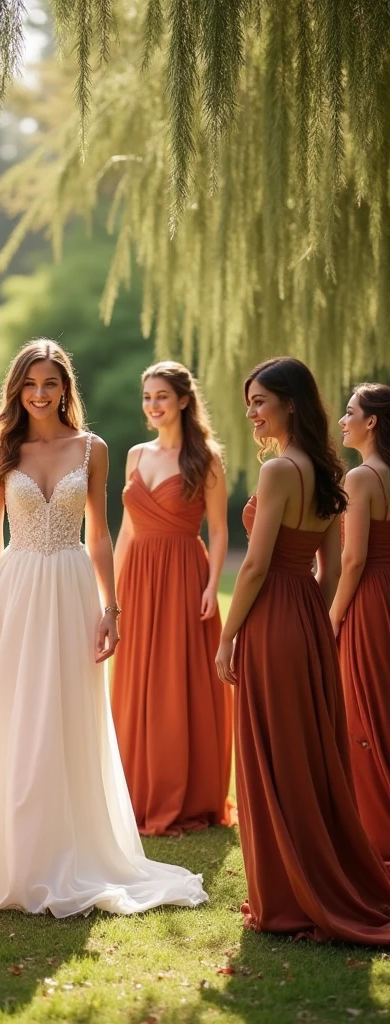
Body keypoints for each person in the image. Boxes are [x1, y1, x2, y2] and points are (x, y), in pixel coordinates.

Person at [0, 339, 207, 917]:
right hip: (15, 590)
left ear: (66, 389)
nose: (40, 394)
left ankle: (65, 850)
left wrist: (111, 610)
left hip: (69, 587)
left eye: (51, 384)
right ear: (17, 388)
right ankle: (4, 853)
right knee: (12, 711)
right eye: (30, 384)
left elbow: (101, 533)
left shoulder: (92, 448)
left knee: (63, 714)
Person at [216, 356, 390, 943]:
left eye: (261, 401)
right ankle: (304, 881)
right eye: (250, 404)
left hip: (272, 621)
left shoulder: (278, 471)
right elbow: (333, 567)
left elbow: (257, 565)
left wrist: (228, 635)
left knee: (273, 756)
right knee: (304, 754)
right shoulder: (328, 468)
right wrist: (310, 620)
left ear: (290, 402)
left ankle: (288, 897)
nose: (252, 413)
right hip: (309, 620)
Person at [111, 361, 234, 836]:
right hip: (139, 576)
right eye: (147, 397)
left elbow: (219, 530)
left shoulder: (206, 458)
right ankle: (133, 791)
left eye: (161, 395)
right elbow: (125, 531)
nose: (153, 405)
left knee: (177, 683)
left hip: (185, 574)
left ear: (183, 399)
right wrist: (112, 592)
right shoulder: (135, 455)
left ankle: (184, 791)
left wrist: (210, 585)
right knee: (136, 679)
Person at [331, 383, 390, 862]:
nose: (342, 421)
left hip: (370, 598)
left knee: (366, 707)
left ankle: (377, 831)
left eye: (349, 413)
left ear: (371, 422)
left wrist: (332, 617)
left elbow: (353, 561)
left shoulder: (361, 478)